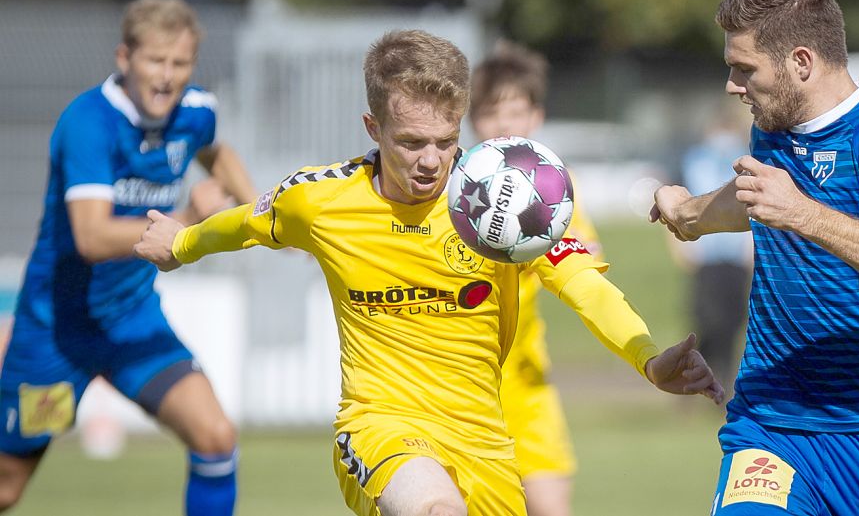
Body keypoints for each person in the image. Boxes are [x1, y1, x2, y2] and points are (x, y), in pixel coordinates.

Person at [135, 29, 725, 516]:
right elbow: (243, 223)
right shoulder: (319, 200)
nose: (430, 162)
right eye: (411, 141)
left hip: (484, 442)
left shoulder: (501, 200)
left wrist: (648, 356)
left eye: (445, 142)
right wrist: (180, 242)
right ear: (373, 128)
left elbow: (580, 280)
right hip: (379, 427)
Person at [650, 0, 859, 514]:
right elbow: (757, 195)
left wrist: (806, 215)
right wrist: (689, 213)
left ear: (801, 63)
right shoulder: (774, 121)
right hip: (769, 423)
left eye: (744, 69)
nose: (732, 86)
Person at [0, 0, 256, 515]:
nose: (167, 76)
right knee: (7, 487)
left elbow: (215, 150)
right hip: (57, 335)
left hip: (132, 324)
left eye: (179, 63)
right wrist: (187, 218)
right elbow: (91, 236)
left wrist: (263, 214)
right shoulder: (89, 122)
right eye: (155, 61)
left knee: (215, 437)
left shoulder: (195, 111)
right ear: (125, 59)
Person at [469, 40, 602, 516]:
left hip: (527, 381)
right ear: (471, 120)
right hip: (461, 386)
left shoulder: (551, 190)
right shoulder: (457, 189)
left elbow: (586, 252)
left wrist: (574, 257)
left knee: (550, 505)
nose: (504, 125)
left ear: (537, 117)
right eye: (489, 112)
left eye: (516, 111)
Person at [669, 101, 753, 395]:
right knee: (706, 320)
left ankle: (725, 384)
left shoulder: (745, 161)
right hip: (705, 256)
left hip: (735, 258)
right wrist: (679, 247)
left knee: (731, 322)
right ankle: (690, 379)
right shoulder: (693, 160)